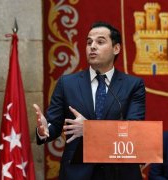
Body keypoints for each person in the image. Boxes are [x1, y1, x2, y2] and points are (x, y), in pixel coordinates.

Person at [33, 21, 146, 180]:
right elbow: (54, 124)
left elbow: (134, 129)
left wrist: (89, 129)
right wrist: (44, 130)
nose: (92, 46)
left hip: (119, 171)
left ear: (116, 48)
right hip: (77, 172)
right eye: (89, 42)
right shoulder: (67, 83)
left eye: (100, 42)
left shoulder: (133, 85)